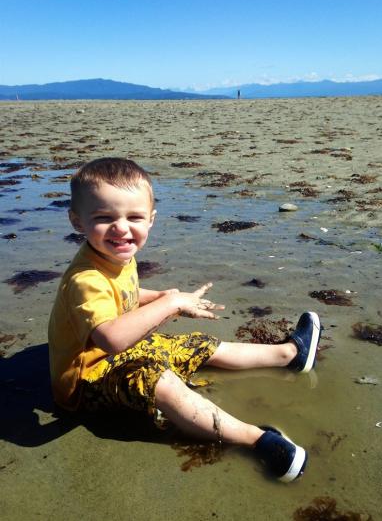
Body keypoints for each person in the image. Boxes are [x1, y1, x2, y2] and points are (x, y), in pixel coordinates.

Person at [48, 157, 322, 483]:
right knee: (155, 379)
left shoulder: (114, 255)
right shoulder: (86, 279)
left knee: (194, 343)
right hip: (85, 384)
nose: (121, 227)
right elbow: (112, 339)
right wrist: (172, 303)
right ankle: (255, 438)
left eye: (133, 217)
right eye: (104, 218)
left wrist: (161, 295)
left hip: (117, 353)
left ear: (150, 219)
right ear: (77, 221)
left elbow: (124, 293)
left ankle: (289, 355)